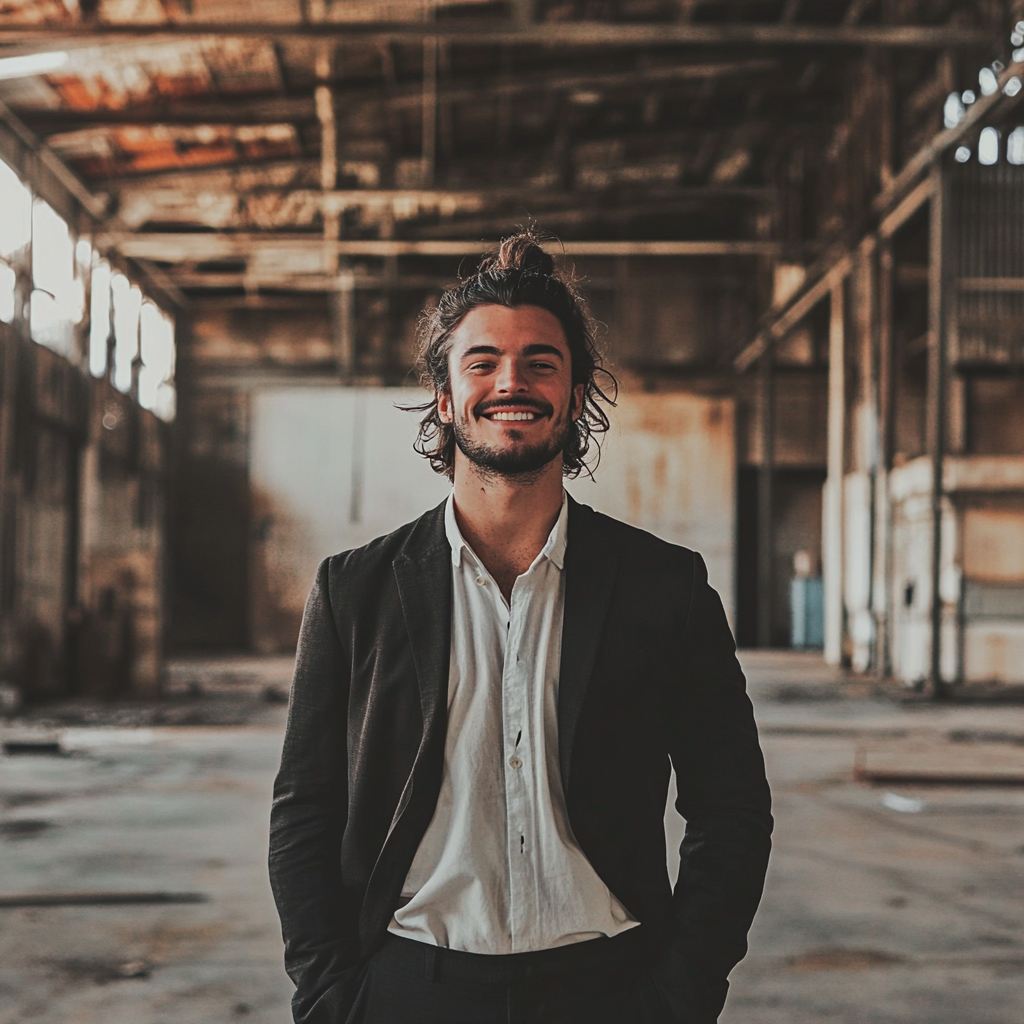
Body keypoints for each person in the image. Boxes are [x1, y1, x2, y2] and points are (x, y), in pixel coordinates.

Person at [269, 233, 772, 1024]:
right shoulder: (353, 592)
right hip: (407, 991)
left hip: (611, 989)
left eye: (542, 362)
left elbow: (731, 809)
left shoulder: (665, 590)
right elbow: (304, 812)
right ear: (444, 396)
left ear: (575, 396)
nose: (513, 382)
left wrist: (683, 993)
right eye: (483, 363)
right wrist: (333, 997)